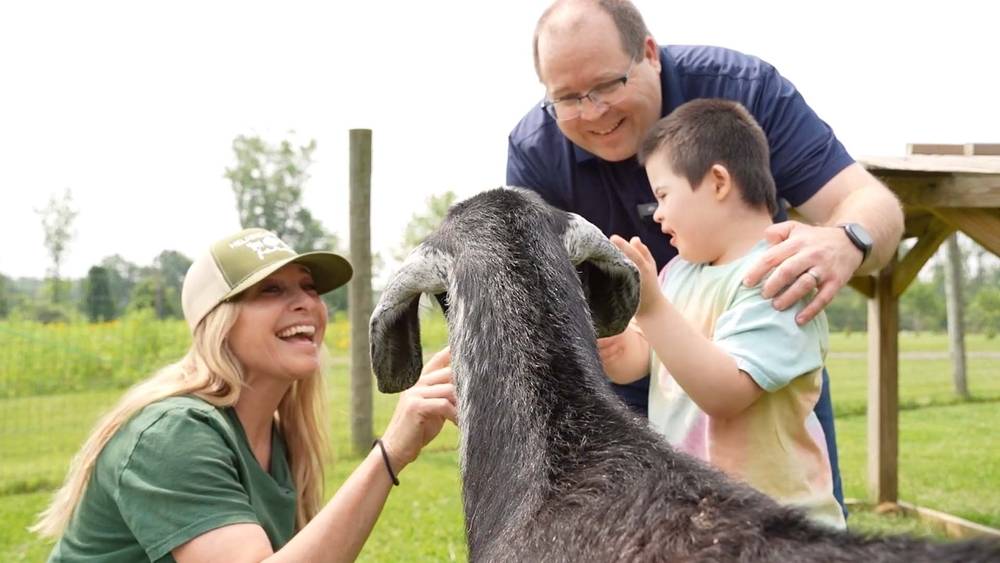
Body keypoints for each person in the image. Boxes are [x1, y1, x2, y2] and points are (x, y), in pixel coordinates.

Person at [505, 0, 905, 518]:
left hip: (762, 389)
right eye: (567, 98)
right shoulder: (537, 150)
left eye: (607, 85)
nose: (594, 111)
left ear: (649, 54)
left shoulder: (744, 91)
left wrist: (844, 240)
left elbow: (870, 204)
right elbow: (538, 306)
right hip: (638, 401)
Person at [32, 227, 457, 563]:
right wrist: (390, 452)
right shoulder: (172, 434)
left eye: (308, 287)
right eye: (271, 290)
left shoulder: (278, 439)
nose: (306, 304)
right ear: (220, 322)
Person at [605, 97, 845, 530]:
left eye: (663, 195)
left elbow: (725, 394)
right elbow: (642, 358)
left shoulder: (778, 275)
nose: (657, 214)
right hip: (701, 522)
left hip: (779, 531)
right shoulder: (678, 273)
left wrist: (652, 307)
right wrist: (612, 340)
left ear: (718, 182)